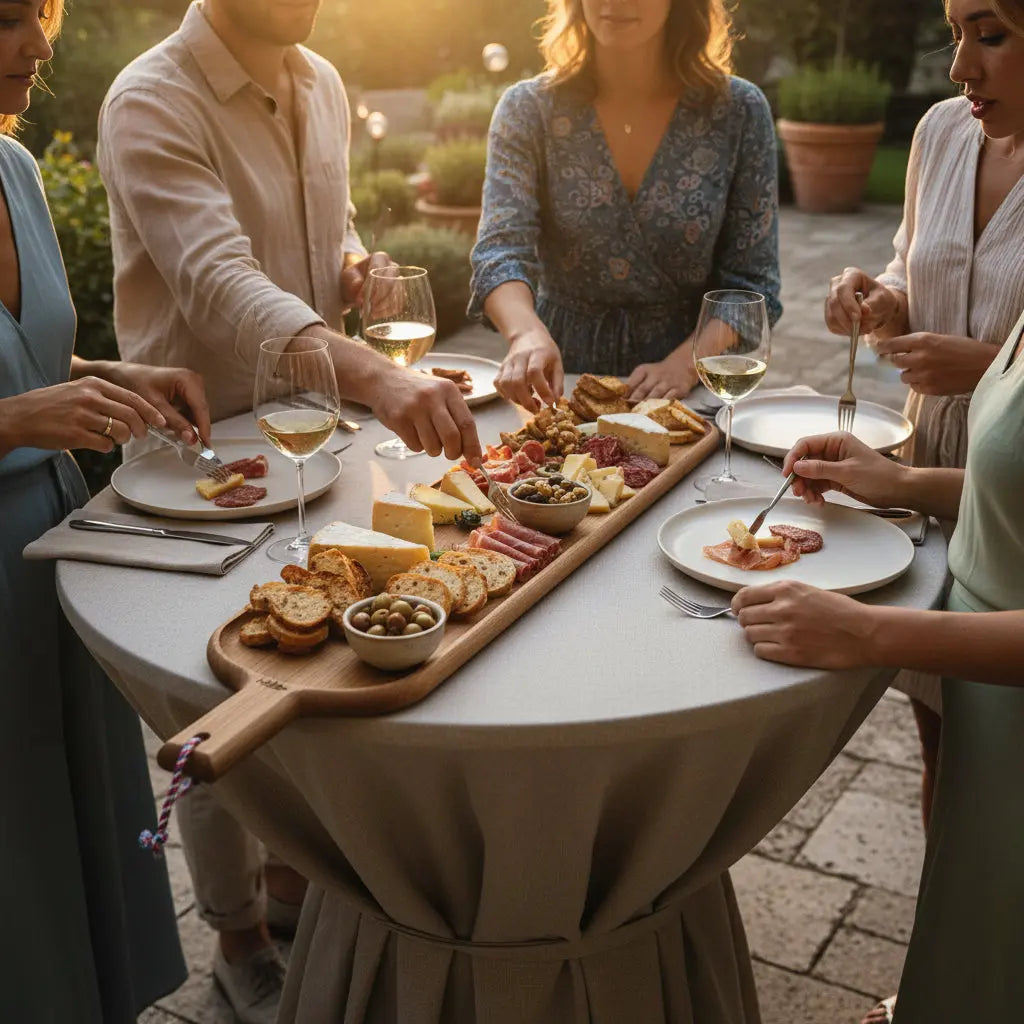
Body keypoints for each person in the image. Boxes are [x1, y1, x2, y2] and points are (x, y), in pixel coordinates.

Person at [95, 3, 481, 1020]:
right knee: (217, 702)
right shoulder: (151, 99)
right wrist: (372, 373)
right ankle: (238, 944)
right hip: (198, 470)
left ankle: (291, 883)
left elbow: (327, 225)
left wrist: (352, 266)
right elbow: (220, 278)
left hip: (311, 451)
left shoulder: (319, 81)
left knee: (310, 672)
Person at [0, 2, 217, 1019]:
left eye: (36, 18)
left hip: (57, 554)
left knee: (76, 823)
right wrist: (13, 423)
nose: (39, 48)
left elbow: (30, 358)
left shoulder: (18, 172)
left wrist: (113, 374)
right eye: (5, 21)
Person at [824, 0, 1024, 845]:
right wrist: (885, 299)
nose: (959, 68)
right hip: (933, 460)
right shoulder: (943, 132)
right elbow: (916, 257)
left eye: (991, 35)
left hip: (1013, 496)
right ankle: (946, 970)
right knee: (946, 739)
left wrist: (985, 370)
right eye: (953, 34)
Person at [469, 0, 781, 413]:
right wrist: (525, 335)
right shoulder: (528, 110)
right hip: (558, 383)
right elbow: (500, 251)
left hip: (688, 389)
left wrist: (685, 367)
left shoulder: (739, 111)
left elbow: (752, 285)